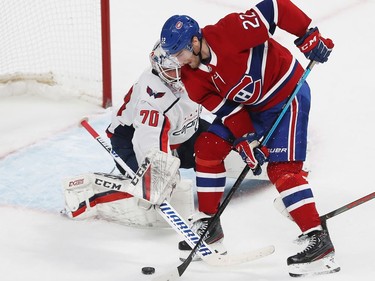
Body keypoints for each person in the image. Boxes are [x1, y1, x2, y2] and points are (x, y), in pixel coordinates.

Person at [160, 0, 338, 276]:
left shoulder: (229, 31)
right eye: (174, 56)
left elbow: (275, 8)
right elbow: (228, 110)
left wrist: (307, 34)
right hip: (252, 109)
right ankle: (209, 228)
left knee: (281, 170)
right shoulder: (193, 79)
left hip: (286, 95)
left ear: (195, 41)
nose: (179, 61)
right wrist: (246, 139)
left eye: (181, 52)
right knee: (207, 146)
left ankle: (319, 242)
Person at [63, 40, 210, 227]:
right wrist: (158, 180)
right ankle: (92, 196)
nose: (178, 74)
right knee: (158, 188)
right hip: (132, 144)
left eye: (180, 66)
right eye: (171, 70)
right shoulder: (153, 98)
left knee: (219, 143)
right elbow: (148, 145)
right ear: (158, 67)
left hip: (182, 133)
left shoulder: (192, 69)